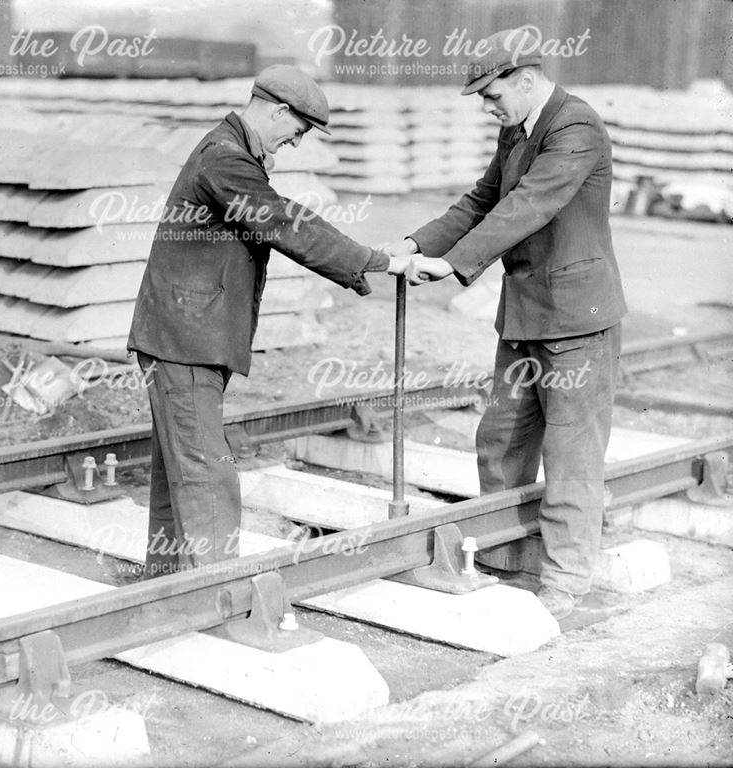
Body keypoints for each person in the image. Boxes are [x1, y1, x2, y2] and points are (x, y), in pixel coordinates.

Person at [128, 65, 408, 579]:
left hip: (185, 337)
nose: (296, 143)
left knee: (181, 470)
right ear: (278, 110)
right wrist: (375, 260)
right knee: (210, 476)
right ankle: (215, 593)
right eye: (298, 131)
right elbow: (284, 220)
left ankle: (167, 585)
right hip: (184, 342)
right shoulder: (226, 160)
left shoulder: (229, 153)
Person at [398, 28, 626, 620]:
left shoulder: (576, 127)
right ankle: (501, 559)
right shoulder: (517, 129)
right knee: (501, 440)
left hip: (578, 319)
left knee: (572, 453)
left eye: (493, 94)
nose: (487, 107)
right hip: (526, 314)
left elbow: (529, 206)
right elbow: (483, 200)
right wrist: (415, 243)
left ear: (525, 79)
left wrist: (453, 262)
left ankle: (567, 581)